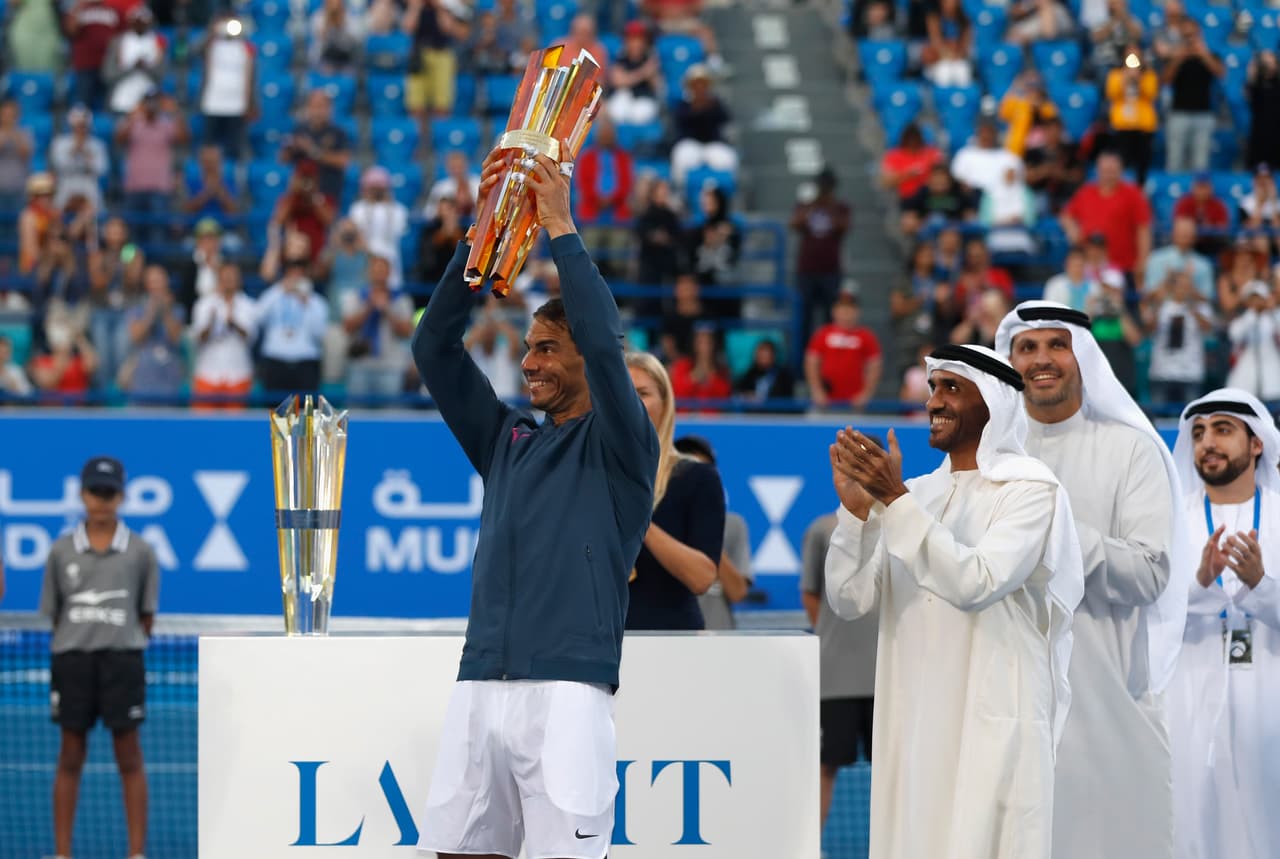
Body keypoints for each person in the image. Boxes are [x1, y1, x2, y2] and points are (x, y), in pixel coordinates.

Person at [410, 145, 659, 859]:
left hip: (569, 691)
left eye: (548, 347)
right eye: (527, 347)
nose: (528, 362)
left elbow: (609, 345)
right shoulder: (505, 438)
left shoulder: (623, 451)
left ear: (584, 354)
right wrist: (482, 237)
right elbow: (435, 348)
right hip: (480, 676)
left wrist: (559, 227)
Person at [824, 344, 1083, 859]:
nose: (934, 401)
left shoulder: (1030, 490)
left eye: (952, 388)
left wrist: (892, 502)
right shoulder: (915, 494)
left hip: (993, 721)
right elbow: (848, 599)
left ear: (993, 403)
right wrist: (856, 515)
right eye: (933, 388)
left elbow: (976, 581)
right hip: (917, 722)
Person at [996, 301, 1189, 859]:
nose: (1042, 359)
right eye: (1027, 348)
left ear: (1083, 355)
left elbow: (1150, 573)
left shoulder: (1130, 450)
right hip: (1004, 707)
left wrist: (1057, 532)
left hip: (1105, 710)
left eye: (1057, 344)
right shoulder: (990, 455)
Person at [1167, 390, 1280, 858]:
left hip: (1269, 703)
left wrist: (1261, 585)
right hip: (1187, 699)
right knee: (1192, 826)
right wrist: (1199, 583)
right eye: (1197, 433)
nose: (1206, 443)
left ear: (1257, 444)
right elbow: (1151, 614)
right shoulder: (1169, 519)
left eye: (1222, 429)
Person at [39, 455, 159, 859]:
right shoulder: (60, 551)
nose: (102, 500)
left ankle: (136, 853)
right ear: (82, 494)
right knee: (70, 754)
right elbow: (55, 612)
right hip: (73, 661)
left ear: (122, 496)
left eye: (109, 492)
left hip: (122, 660)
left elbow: (146, 616)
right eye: (95, 491)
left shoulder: (140, 551)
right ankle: (62, 853)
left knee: (129, 754)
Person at [625, 352, 724, 628]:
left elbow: (702, 578)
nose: (631, 402)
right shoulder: (585, 474)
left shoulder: (696, 478)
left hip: (671, 642)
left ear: (665, 403)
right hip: (593, 644)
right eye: (621, 392)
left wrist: (637, 518)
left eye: (642, 393)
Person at [800, 491, 879, 832]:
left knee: (897, 768)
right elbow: (811, 593)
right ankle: (809, 849)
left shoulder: (904, 525)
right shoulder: (822, 529)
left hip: (889, 677)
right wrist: (834, 634)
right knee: (824, 766)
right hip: (835, 677)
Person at [673, 433, 753, 630]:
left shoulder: (733, 525)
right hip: (668, 636)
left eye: (700, 469)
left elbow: (738, 593)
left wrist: (707, 536)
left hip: (718, 637)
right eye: (684, 466)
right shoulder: (653, 522)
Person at [190, 262, 257, 409]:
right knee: (202, 427)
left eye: (232, 277)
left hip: (238, 375)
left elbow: (250, 337)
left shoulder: (248, 305)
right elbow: (198, 338)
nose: (229, 281)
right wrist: (210, 322)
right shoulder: (204, 304)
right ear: (219, 278)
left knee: (235, 428)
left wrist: (233, 322)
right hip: (207, 374)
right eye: (225, 277)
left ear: (239, 280)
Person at [805, 290, 882, 410]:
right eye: (842, 308)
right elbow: (811, 362)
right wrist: (816, 390)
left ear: (857, 311)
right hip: (825, 402)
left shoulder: (866, 337)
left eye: (850, 308)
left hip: (854, 403)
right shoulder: (822, 334)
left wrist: (866, 394)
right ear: (834, 311)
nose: (846, 313)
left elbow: (874, 366)